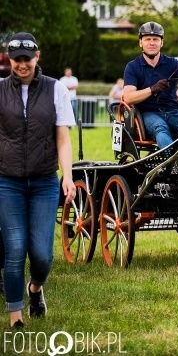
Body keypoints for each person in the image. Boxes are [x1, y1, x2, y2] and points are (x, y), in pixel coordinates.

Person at [0, 32, 77, 329]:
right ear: (9, 59)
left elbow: (62, 139)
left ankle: (36, 289)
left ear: (37, 57)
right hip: (7, 183)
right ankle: (16, 318)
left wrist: (67, 177)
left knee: (43, 256)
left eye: (27, 59)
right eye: (17, 59)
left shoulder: (56, 89)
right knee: (15, 248)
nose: (22, 64)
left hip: (44, 182)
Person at [123, 22, 178, 151]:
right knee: (160, 127)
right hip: (147, 114)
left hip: (173, 111)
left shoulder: (172, 63)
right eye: (147, 39)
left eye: (156, 39)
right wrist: (152, 89)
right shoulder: (132, 67)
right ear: (141, 43)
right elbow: (128, 97)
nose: (152, 43)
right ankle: (172, 164)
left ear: (161, 43)